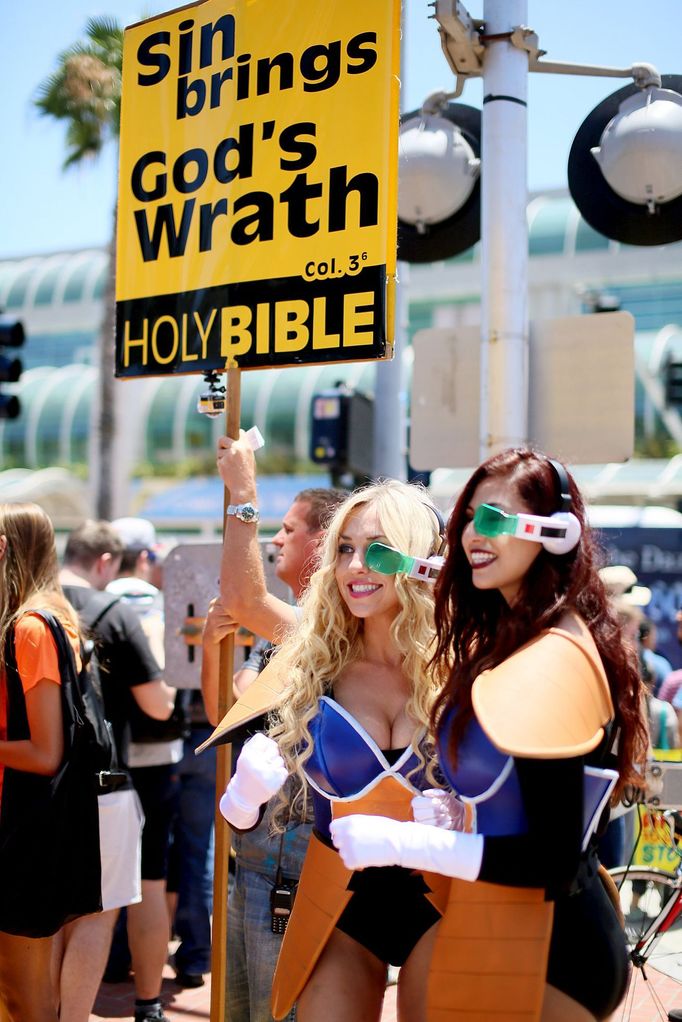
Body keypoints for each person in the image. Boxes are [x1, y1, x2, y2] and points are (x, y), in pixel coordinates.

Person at [331, 450, 649, 1022]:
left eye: (498, 519)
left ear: (555, 532)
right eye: (472, 517)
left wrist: (406, 843)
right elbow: (527, 796)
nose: (477, 533)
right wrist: (463, 812)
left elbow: (552, 859)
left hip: (554, 946)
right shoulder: (514, 641)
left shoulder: (555, 652)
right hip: (506, 927)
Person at [217, 480, 448, 1022]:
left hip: (444, 901)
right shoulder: (316, 652)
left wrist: (462, 814)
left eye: (379, 549)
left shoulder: (463, 664)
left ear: (417, 560)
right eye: (345, 549)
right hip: (340, 899)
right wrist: (245, 795)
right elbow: (244, 599)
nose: (355, 567)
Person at [203, 429, 346, 1022]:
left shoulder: (331, 632)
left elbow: (241, 594)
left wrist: (243, 491)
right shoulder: (281, 638)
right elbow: (224, 724)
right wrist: (215, 650)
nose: (278, 537)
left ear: (326, 542)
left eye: (290, 527)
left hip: (290, 875)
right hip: (252, 866)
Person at [57, 519, 176, 1022]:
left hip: (37, 779)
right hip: (111, 779)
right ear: (106, 562)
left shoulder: (29, 608)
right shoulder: (113, 612)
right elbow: (158, 707)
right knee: (126, 896)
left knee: (52, 909)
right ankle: (146, 1003)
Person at [0, 502, 97, 1022]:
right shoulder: (48, 618)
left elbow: (45, 752)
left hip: (26, 835)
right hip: (33, 831)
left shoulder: (32, 627)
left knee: (25, 999)